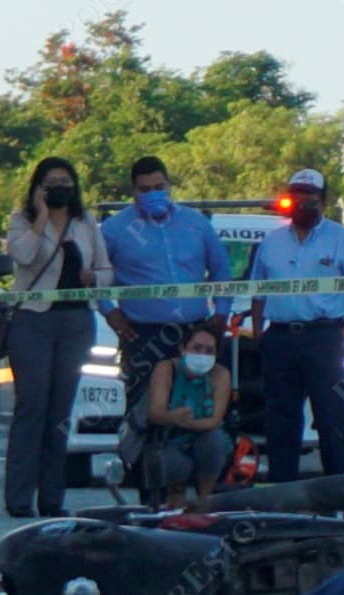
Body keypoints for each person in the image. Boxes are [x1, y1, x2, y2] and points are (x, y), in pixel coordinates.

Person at [100, 156, 232, 502]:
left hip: (195, 333)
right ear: (133, 192)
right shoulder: (115, 230)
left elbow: (220, 269)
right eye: (145, 190)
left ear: (169, 185)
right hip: (142, 335)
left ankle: (205, 496)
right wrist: (109, 313)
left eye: (159, 188)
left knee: (203, 408)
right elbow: (96, 278)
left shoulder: (195, 223)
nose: (153, 194)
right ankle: (151, 498)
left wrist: (222, 313)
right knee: (146, 415)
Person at [4, 156, 113, 518]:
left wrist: (92, 279)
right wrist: (39, 216)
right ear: (38, 187)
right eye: (50, 182)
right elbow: (22, 255)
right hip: (32, 321)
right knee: (31, 407)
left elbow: (106, 270)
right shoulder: (21, 221)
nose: (59, 188)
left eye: (65, 180)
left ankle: (53, 500)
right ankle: (19, 499)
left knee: (60, 412)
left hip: (76, 322)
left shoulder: (86, 223)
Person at [250, 168, 344, 483]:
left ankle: (337, 497)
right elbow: (258, 292)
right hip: (280, 339)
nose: (303, 204)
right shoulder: (272, 241)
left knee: (332, 419)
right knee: (281, 422)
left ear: (324, 200)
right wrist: (259, 332)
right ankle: (281, 498)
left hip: (324, 338)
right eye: (298, 196)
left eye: (311, 198)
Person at [142, 325, 233, 510]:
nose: (202, 355)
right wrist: (173, 418)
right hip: (170, 436)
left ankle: (205, 498)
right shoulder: (166, 369)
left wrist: (188, 422)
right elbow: (156, 413)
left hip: (203, 434)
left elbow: (215, 420)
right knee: (173, 461)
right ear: (183, 348)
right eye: (197, 348)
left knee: (215, 441)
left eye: (209, 351)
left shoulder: (221, 374)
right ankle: (175, 500)